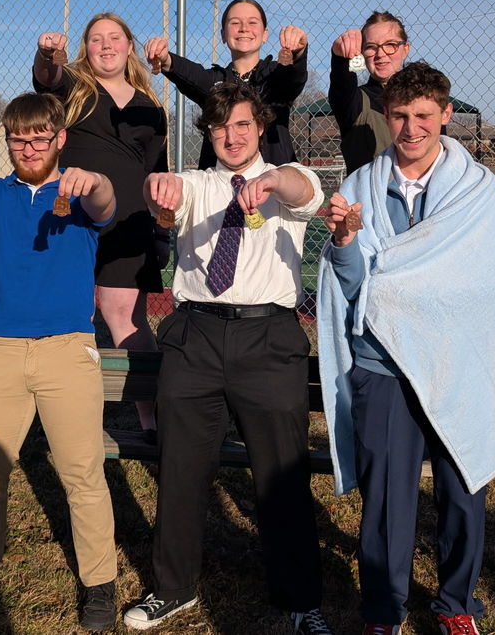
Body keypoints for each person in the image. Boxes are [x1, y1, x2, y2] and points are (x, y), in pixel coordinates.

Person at [318, 62, 495, 635]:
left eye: (424, 115)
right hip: (383, 364)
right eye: (400, 115)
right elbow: (354, 287)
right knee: (385, 499)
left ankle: (456, 605)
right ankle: (384, 612)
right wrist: (345, 242)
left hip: (459, 363)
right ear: (386, 115)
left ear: (446, 115)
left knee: (464, 486)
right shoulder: (359, 187)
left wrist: (403, 284)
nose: (412, 127)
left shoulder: (477, 189)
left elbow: (487, 282)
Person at [123, 83, 333, 635]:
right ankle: (173, 588)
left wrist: (272, 181)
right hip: (195, 335)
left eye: (242, 125)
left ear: (260, 127)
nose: (232, 136)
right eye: (220, 127)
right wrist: (158, 187)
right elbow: (165, 193)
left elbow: (303, 190)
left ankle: (300, 598)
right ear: (208, 133)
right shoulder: (197, 183)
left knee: (281, 474)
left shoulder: (290, 177)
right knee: (181, 469)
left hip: (268, 339)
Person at [0, 92, 119, 631]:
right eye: (18, 139)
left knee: (82, 474)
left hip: (66, 350)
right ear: (7, 142)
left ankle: (99, 582)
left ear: (60, 138)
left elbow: (104, 204)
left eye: (39, 138)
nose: (29, 148)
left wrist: (96, 181)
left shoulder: (78, 190)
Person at [33, 13, 167, 438]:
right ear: (85, 48)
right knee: (72, 314)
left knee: (124, 318)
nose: (106, 46)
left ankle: (151, 419)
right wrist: (46, 55)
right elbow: (47, 78)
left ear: (129, 46)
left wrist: (160, 231)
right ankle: (68, 416)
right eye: (96, 39)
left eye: (114, 38)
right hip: (72, 219)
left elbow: (157, 174)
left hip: (130, 225)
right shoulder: (74, 88)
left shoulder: (151, 107)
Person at [143, 0, 308, 168]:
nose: (244, 28)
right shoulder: (215, 82)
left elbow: (294, 77)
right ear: (223, 34)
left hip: (275, 177)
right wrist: (165, 59)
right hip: (220, 180)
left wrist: (299, 52)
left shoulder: (276, 76)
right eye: (235, 23)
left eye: (252, 22)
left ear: (265, 34)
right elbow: (190, 74)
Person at [328, 11, 411, 174]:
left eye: (390, 45)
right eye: (371, 47)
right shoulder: (356, 103)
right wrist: (340, 57)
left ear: (405, 49)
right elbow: (342, 87)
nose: (380, 54)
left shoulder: (426, 98)